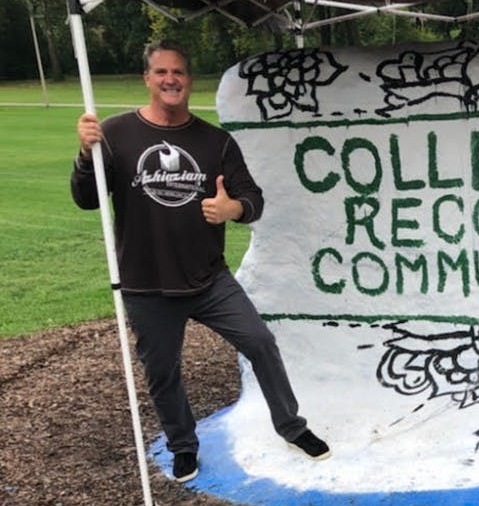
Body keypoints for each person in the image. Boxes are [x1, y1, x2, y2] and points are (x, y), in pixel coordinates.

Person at [71, 40, 330, 483]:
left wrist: (233, 210)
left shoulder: (215, 142)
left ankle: (291, 426)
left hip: (210, 280)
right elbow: (85, 199)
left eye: (179, 73)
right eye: (161, 73)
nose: (171, 80)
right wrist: (84, 154)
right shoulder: (114, 133)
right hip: (146, 283)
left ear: (189, 81)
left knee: (260, 342)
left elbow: (254, 199)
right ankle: (183, 447)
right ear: (147, 79)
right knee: (162, 372)